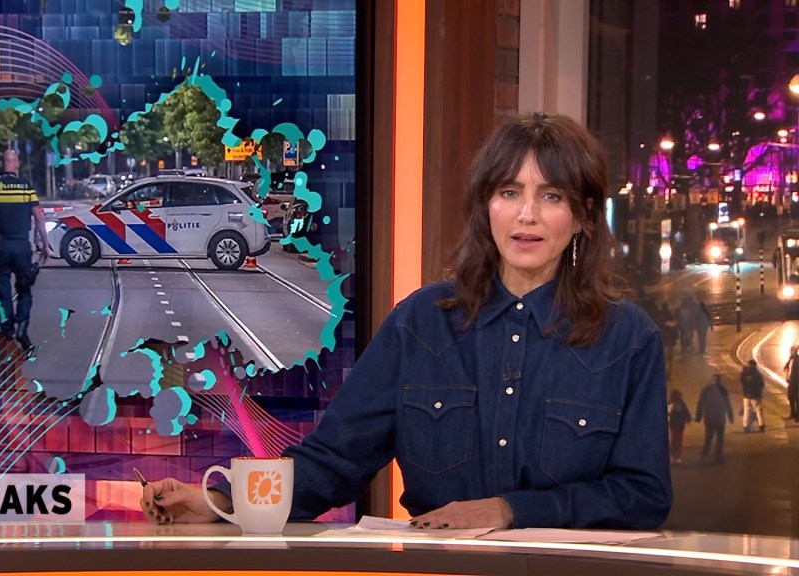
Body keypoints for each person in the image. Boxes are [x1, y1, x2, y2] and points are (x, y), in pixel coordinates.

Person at [138, 112, 672, 530]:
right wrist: (220, 501)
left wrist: (511, 509)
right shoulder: (420, 323)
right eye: (509, 192)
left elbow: (643, 496)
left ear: (582, 215)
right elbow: (333, 462)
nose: (526, 214)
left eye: (550, 196)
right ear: (486, 206)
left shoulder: (628, 339)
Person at [0, 149, 51, 350]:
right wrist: (45, 244)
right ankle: (22, 328)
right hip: (21, 247)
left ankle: (7, 332)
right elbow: (39, 218)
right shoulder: (27, 188)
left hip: (0, 247)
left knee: (3, 291)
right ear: (16, 164)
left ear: (3, 164)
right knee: (24, 290)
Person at [694, 373, 733, 464]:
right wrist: (730, 416)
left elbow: (701, 404)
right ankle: (717, 457)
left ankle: (706, 455)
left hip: (711, 417)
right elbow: (727, 404)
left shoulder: (706, 390)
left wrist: (698, 416)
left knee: (710, 438)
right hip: (718, 418)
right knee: (717, 439)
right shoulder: (722, 390)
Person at [740, 359, 765, 433]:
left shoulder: (744, 373)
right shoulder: (756, 374)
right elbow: (761, 384)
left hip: (746, 395)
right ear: (754, 365)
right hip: (756, 395)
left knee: (746, 410)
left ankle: (745, 426)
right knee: (758, 410)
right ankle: (761, 426)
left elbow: (742, 382)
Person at [667, 389, 691, 464]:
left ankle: (674, 456)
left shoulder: (671, 403)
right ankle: (676, 457)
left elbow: (668, 413)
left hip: (675, 425)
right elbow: (686, 412)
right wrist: (688, 419)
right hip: (678, 425)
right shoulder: (681, 403)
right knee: (677, 440)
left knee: (675, 440)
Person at [785, 345, 799, 421]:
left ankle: (797, 415)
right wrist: (787, 376)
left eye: (792, 350)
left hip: (796, 382)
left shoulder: (797, 359)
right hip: (791, 381)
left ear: (795, 351)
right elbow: (786, 367)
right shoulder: (791, 358)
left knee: (797, 398)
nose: (790, 352)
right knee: (790, 397)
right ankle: (792, 413)